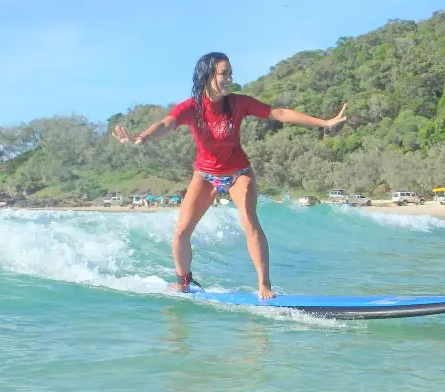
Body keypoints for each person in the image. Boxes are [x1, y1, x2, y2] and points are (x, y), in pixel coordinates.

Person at [113, 52, 347, 299]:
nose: (229, 78)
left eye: (230, 73)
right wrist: (142, 138)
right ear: (208, 75)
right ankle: (183, 280)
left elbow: (278, 113)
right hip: (205, 174)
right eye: (224, 73)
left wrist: (324, 123)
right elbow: (166, 124)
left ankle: (264, 284)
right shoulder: (192, 107)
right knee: (182, 231)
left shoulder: (237, 103)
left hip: (238, 173)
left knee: (249, 220)